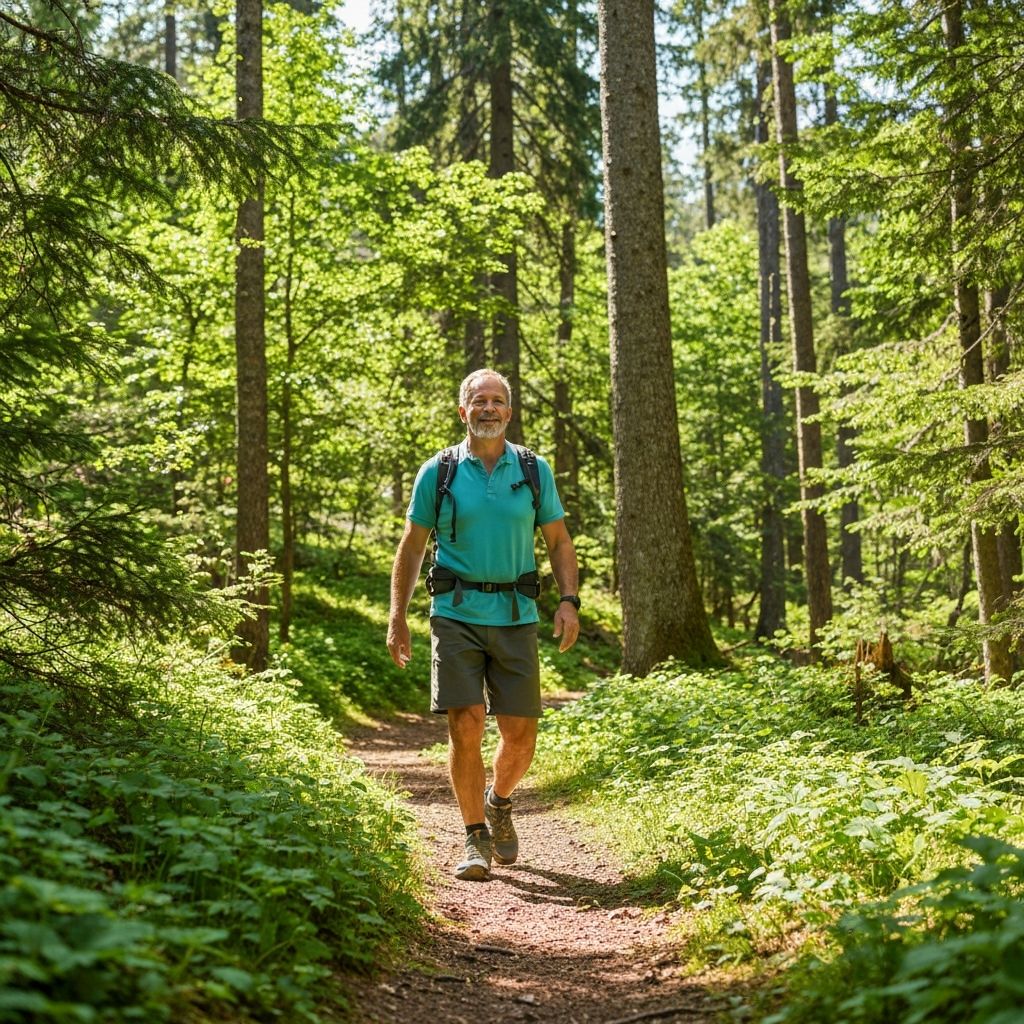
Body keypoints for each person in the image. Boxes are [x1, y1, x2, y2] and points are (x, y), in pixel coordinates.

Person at [387, 368, 580, 881]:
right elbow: (412, 545)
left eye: (497, 401)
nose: (488, 408)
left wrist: (568, 600)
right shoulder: (440, 471)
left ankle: (499, 800)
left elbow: (559, 541)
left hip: (516, 615)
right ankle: (475, 838)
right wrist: (397, 617)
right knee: (465, 721)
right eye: (479, 401)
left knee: (520, 736)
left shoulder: (534, 470)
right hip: (455, 615)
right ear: (463, 411)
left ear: (509, 413)